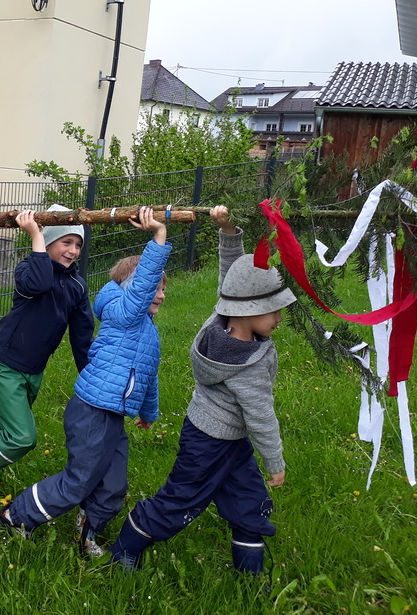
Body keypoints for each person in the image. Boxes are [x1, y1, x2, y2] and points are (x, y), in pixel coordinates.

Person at [108, 206, 296, 575]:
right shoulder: (247, 364)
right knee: (180, 501)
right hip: (208, 444)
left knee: (249, 501)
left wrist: (229, 231)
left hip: (230, 439)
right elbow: (261, 415)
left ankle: (250, 577)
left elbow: (231, 278)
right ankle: (125, 549)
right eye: (273, 310)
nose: (279, 317)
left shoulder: (221, 319)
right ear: (248, 311)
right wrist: (274, 461)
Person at [0, 207, 171, 557]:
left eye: (163, 288)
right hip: (92, 410)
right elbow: (140, 290)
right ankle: (17, 515)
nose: (160, 294)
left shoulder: (146, 331)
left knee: (113, 484)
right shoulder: (123, 314)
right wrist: (159, 237)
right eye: (155, 287)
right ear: (133, 290)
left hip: (114, 414)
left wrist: (148, 412)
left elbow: (148, 374)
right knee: (80, 480)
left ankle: (87, 531)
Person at [0, 204, 94, 522]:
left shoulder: (77, 286)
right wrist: (35, 236)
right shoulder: (28, 269)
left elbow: (82, 337)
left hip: (34, 368)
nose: (73, 251)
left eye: (78, 244)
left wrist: (91, 379)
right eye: (66, 242)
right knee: (21, 435)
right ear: (48, 241)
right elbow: (38, 285)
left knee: (1, 423)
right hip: (6, 362)